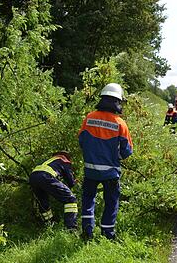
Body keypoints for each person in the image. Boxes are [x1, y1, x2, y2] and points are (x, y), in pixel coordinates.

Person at [78, 83, 133, 240]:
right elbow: (127, 151)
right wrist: (116, 158)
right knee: (111, 202)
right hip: (110, 172)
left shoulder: (89, 118)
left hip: (90, 170)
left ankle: (87, 232)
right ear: (117, 102)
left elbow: (81, 141)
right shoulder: (120, 124)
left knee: (88, 199)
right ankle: (107, 234)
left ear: (102, 99)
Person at [29, 151, 78, 229]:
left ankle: (49, 225)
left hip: (33, 177)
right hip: (46, 176)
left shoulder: (49, 161)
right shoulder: (65, 161)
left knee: (43, 203)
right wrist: (73, 182)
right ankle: (71, 228)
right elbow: (70, 181)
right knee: (70, 199)